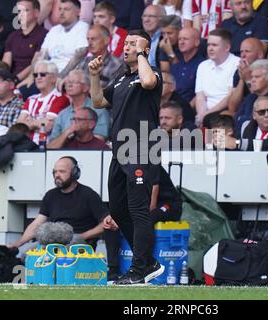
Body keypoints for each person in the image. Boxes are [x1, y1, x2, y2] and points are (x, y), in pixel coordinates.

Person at [89, 29, 165, 285]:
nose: (126, 46)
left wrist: (143, 55)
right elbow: (98, 102)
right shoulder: (122, 78)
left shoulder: (152, 72)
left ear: (145, 48)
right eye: (125, 42)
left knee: (138, 209)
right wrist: (94, 75)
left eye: (133, 43)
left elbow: (148, 83)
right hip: (119, 149)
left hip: (142, 146)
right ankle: (147, 262)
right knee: (119, 209)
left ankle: (140, 267)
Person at [7, 156, 115, 256]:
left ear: (75, 173)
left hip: (78, 244)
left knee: (56, 255)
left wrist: (83, 236)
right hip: (54, 241)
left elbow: (106, 223)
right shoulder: (50, 195)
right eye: (55, 172)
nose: (57, 175)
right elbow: (37, 224)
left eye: (62, 171)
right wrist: (17, 244)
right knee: (27, 255)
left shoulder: (89, 195)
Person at [49, 69, 110, 143]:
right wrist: (67, 133)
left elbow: (99, 139)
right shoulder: (62, 114)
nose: (69, 85)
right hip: (64, 153)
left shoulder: (99, 110)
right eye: (67, 82)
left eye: (74, 82)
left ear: (86, 87)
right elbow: (52, 143)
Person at [194, 28, 239, 127]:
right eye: (208, 45)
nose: (210, 48)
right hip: (205, 114)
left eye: (214, 45)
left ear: (227, 47)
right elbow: (200, 96)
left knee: (217, 138)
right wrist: (201, 114)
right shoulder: (203, 66)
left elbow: (230, 96)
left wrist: (206, 115)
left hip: (225, 113)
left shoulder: (237, 64)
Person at [17, 60, 69, 145]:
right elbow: (19, 126)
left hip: (46, 147)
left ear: (53, 78)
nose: (38, 77)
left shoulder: (60, 98)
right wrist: (38, 123)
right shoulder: (31, 99)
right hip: (25, 146)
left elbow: (48, 126)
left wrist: (29, 122)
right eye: (35, 75)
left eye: (43, 74)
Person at [59, 24, 122, 89]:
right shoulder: (84, 61)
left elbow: (111, 92)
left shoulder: (117, 65)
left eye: (93, 39)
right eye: (88, 39)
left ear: (106, 40)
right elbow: (69, 80)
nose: (89, 43)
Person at [3, 0, 48, 85]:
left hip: (32, 80)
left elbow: (36, 62)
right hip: (11, 81)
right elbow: (6, 64)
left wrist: (15, 80)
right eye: (19, 11)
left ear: (36, 13)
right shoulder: (12, 36)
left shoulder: (44, 35)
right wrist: (3, 78)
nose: (21, 14)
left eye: (26, 10)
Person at [170, 27, 205, 106]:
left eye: (185, 39)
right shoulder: (175, 66)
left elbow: (202, 93)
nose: (181, 42)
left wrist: (187, 109)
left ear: (197, 42)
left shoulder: (203, 65)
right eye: (179, 39)